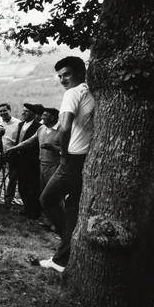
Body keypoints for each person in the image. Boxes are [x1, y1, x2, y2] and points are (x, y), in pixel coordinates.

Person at [39, 56, 95, 273]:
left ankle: (68, 242)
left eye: (66, 75)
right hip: (84, 160)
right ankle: (63, 258)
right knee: (72, 208)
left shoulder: (72, 93)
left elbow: (63, 127)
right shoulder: (90, 92)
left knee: (47, 198)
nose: (62, 79)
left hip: (71, 160)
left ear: (79, 73)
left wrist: (63, 154)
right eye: (60, 76)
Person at [7, 107, 61, 228]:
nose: (42, 118)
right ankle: (47, 219)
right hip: (42, 165)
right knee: (43, 194)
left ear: (53, 117)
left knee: (53, 195)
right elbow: (29, 141)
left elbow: (66, 151)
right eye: (42, 115)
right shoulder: (41, 128)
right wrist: (14, 148)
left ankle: (58, 223)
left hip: (55, 166)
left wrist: (53, 148)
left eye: (45, 116)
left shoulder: (61, 131)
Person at [12, 103, 42, 219]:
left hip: (31, 161)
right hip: (19, 160)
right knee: (22, 186)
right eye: (23, 111)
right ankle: (27, 208)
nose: (23, 113)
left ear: (33, 114)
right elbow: (17, 142)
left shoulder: (38, 127)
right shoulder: (20, 124)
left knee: (31, 186)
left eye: (27, 111)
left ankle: (34, 211)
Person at [0, 103, 21, 205]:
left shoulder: (18, 123)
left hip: (12, 153)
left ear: (10, 110)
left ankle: (8, 199)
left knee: (13, 177)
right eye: (0, 111)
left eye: (4, 110)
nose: (2, 113)